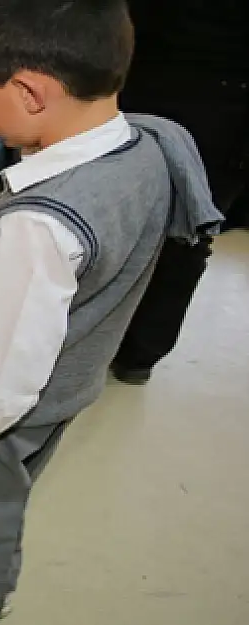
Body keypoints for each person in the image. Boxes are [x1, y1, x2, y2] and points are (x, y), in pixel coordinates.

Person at [0, 1, 223, 624]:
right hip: (68, 381)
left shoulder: (35, 227)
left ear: (31, 91)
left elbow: (1, 387)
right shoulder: (153, 140)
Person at [108, 0, 248, 384]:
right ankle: (137, 353)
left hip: (149, 83)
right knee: (181, 238)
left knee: (128, 226)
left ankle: (127, 349)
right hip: (184, 91)